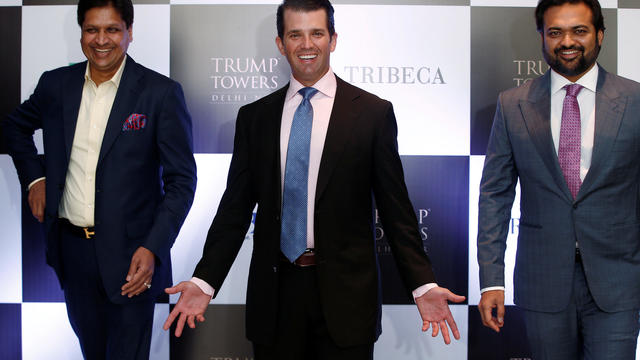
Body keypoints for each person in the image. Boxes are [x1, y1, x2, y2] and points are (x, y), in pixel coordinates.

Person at [163, 0, 464, 359]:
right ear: (281, 44)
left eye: (317, 33)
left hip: (347, 300)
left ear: (333, 39)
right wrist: (204, 279)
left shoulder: (372, 114)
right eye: (295, 35)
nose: (307, 45)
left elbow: (396, 211)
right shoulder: (254, 118)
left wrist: (422, 282)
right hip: (275, 299)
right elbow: (234, 211)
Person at [1, 0, 197, 358]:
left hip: (132, 259)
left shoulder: (160, 93)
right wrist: (35, 180)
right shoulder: (55, 85)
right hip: (72, 252)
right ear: (81, 34)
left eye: (112, 29)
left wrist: (153, 246)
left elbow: (182, 182)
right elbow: (14, 127)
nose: (101, 40)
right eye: (92, 29)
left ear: (129, 33)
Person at [477, 0, 640, 358]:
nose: (567, 41)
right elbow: (495, 196)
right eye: (555, 32)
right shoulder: (512, 104)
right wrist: (491, 280)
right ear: (542, 38)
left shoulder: (635, 100)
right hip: (542, 281)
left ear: (599, 34)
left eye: (579, 30)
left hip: (619, 281)